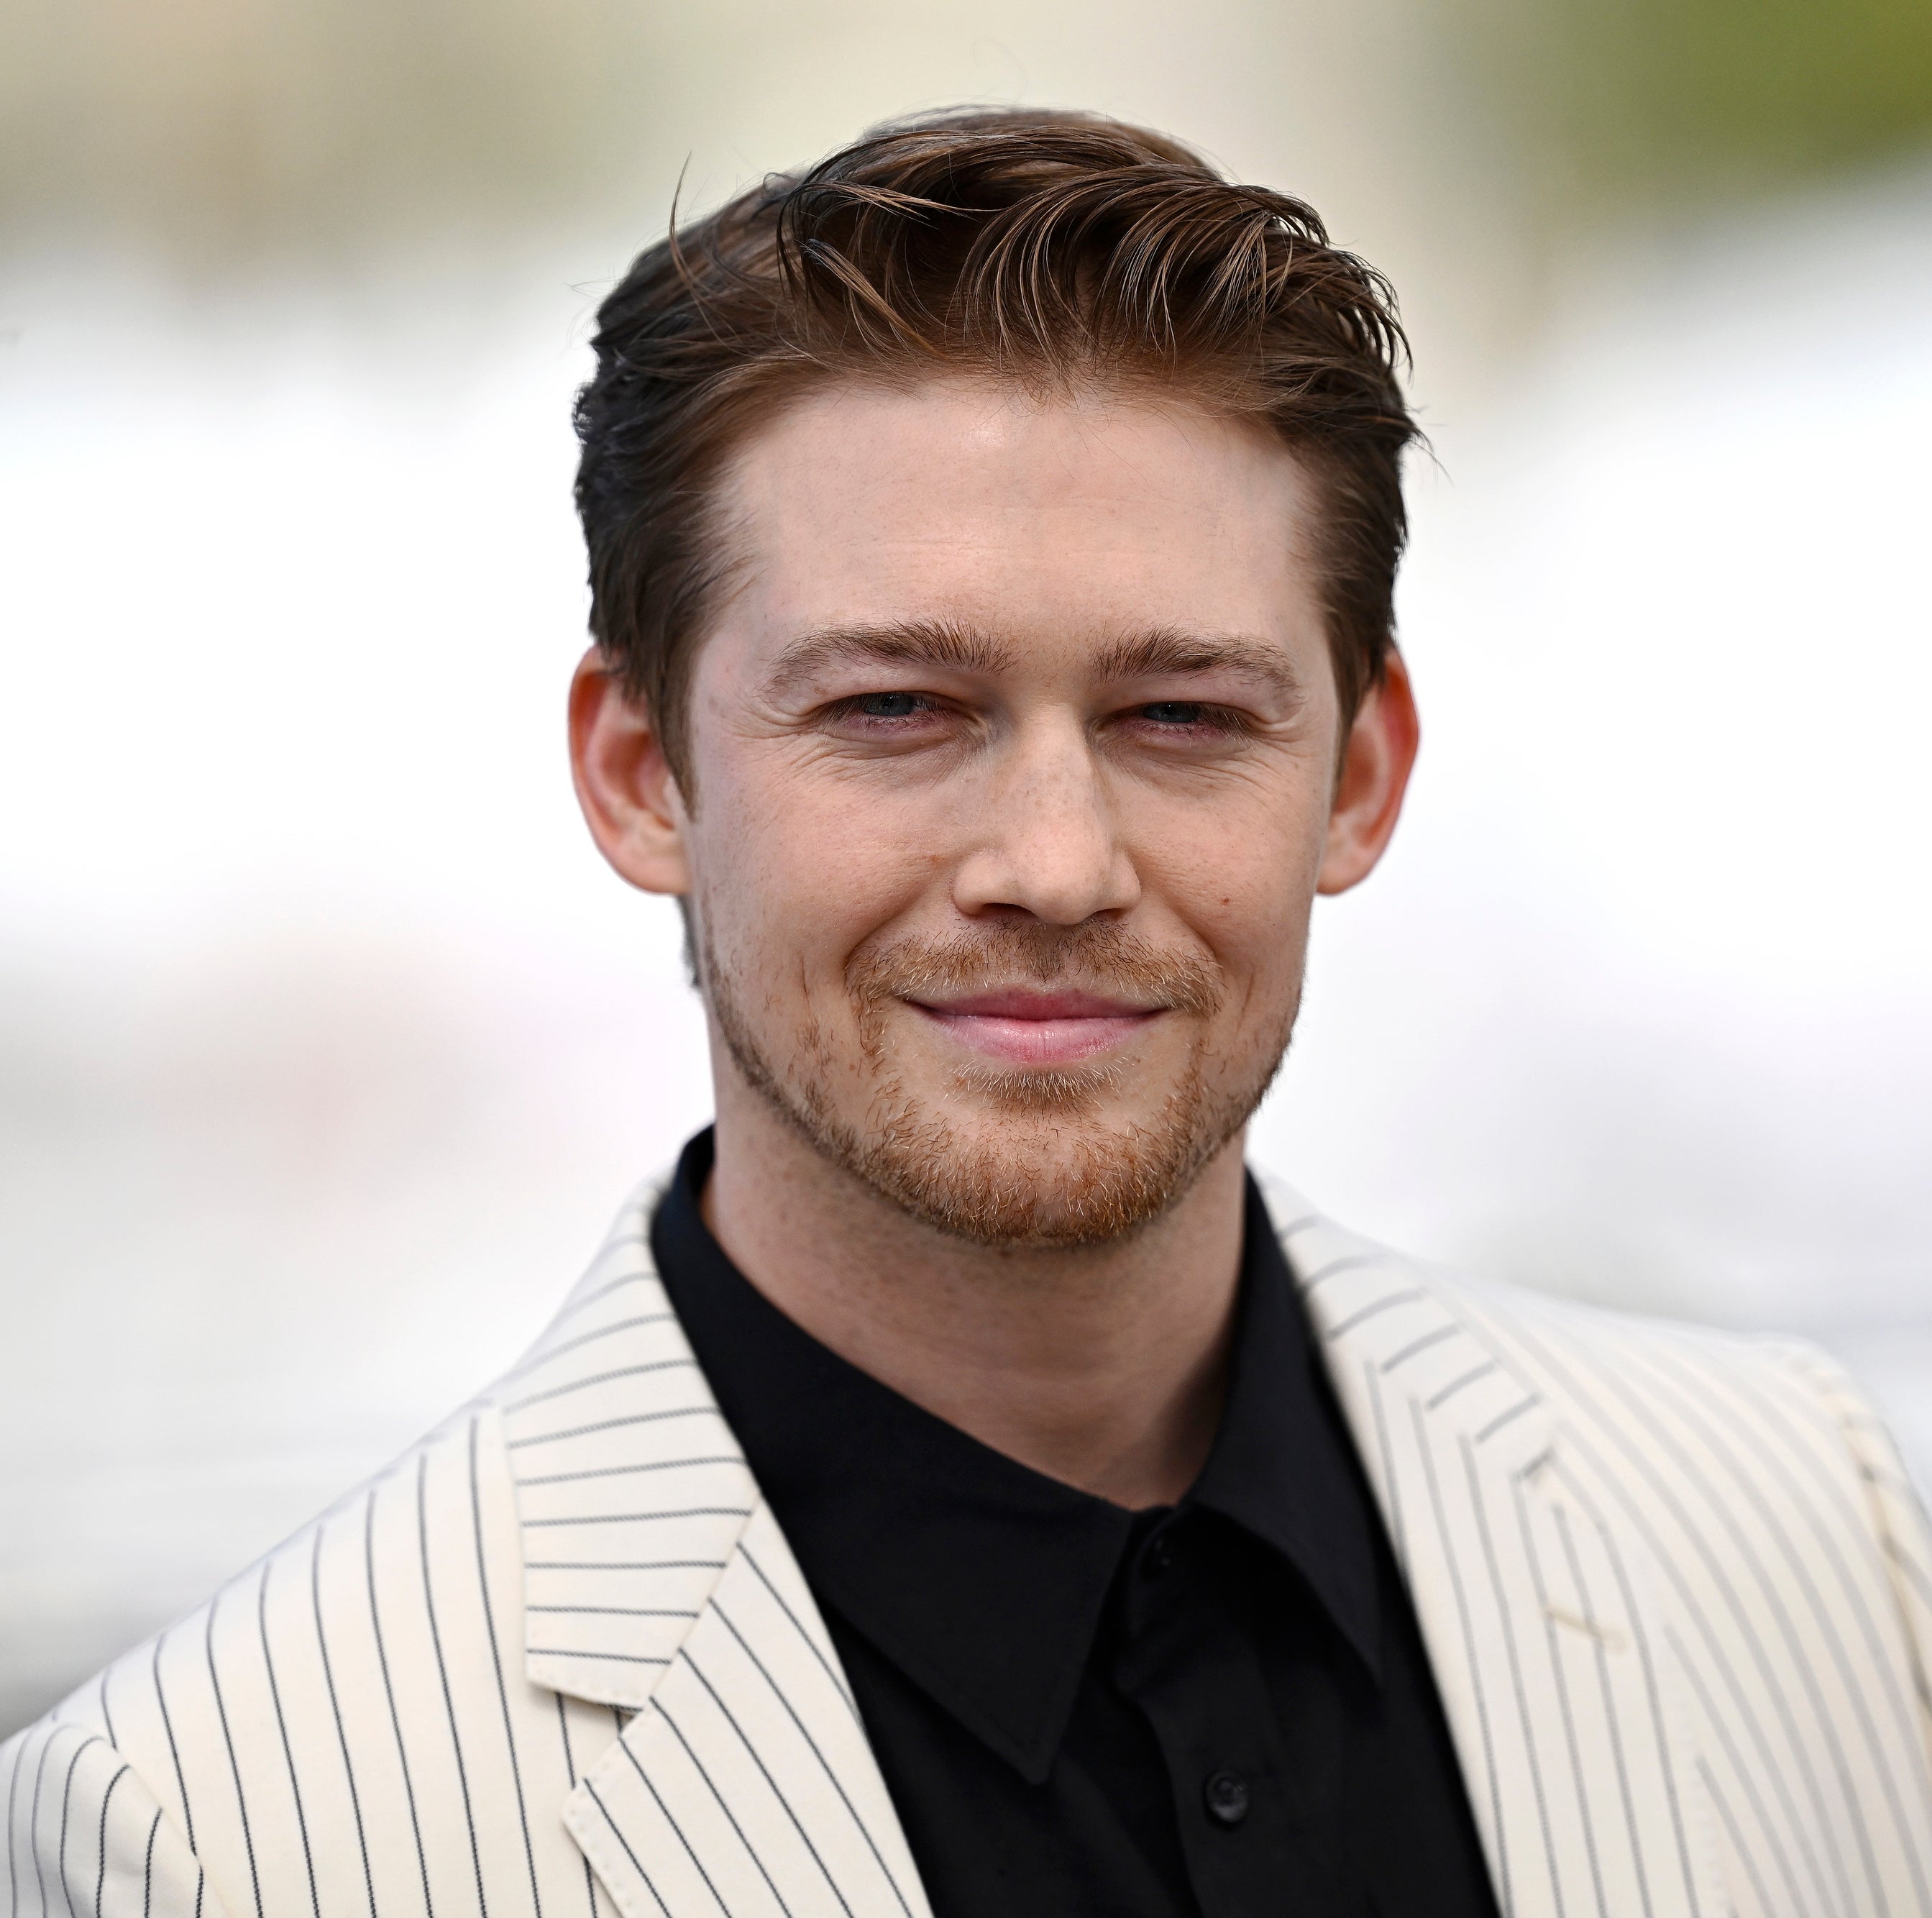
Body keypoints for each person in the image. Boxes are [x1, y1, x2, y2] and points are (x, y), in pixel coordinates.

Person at [6, 106, 1929, 1918]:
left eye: (1181, 716)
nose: (1054, 859)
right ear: (639, 770)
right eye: (897, 711)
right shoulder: (217, 1826)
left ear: (1358, 773)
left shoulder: (1802, 1531)